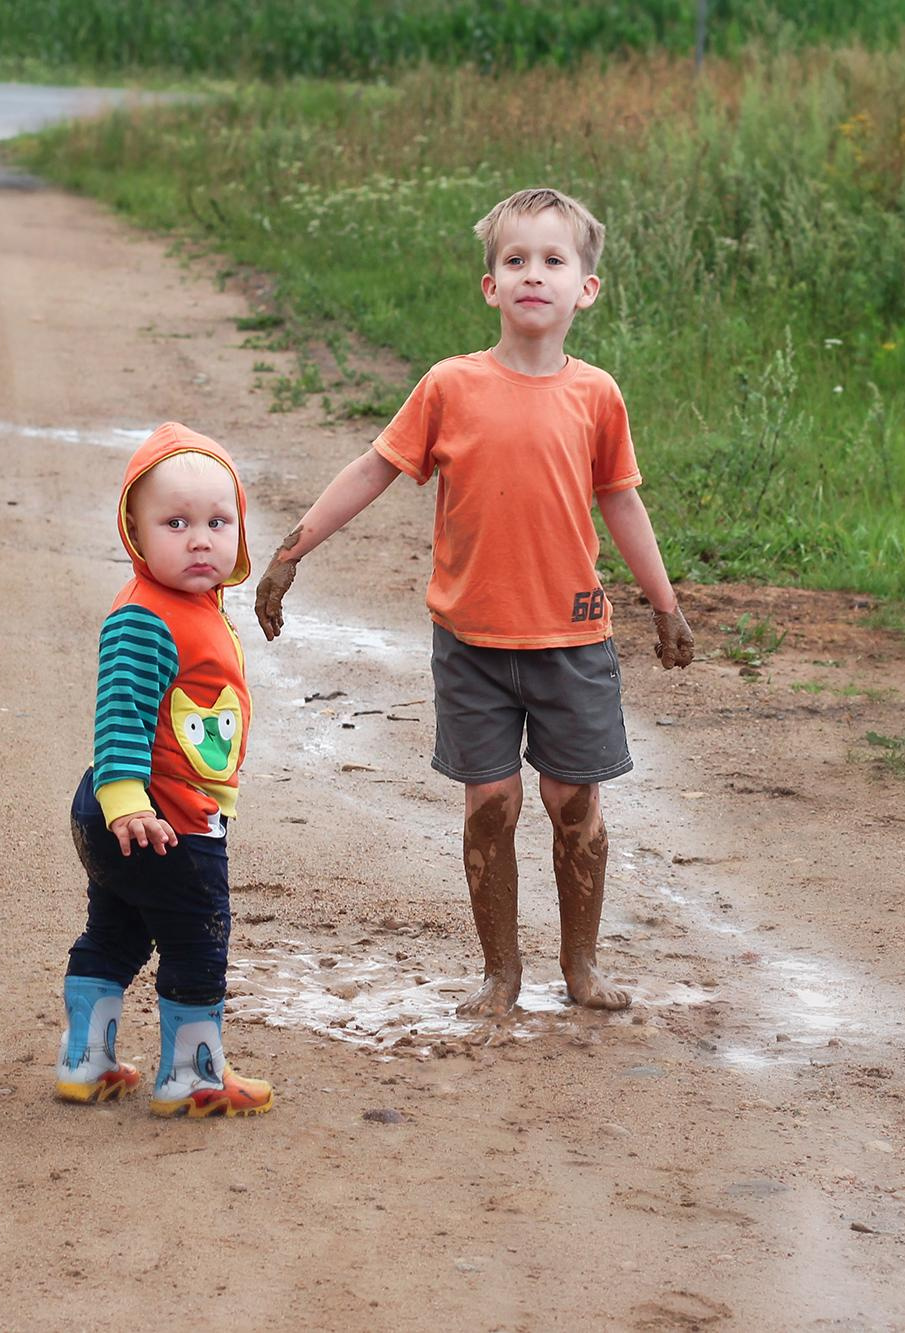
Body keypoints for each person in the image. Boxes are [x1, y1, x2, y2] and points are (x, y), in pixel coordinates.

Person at [253, 187, 695, 1017]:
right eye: (515, 260)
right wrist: (291, 551)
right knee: (491, 805)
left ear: (585, 290)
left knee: (575, 803)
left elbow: (623, 502)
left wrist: (664, 604)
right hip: (472, 643)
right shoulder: (450, 386)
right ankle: (501, 973)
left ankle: (581, 967)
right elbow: (373, 468)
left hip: (572, 638)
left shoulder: (597, 395)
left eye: (554, 260)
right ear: (490, 285)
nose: (534, 274)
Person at [54, 421, 273, 1116]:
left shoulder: (193, 605)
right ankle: (192, 1076)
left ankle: (85, 1061)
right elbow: (119, 713)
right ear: (136, 532)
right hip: (159, 819)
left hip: (139, 815)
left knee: (117, 932)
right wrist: (129, 803)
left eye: (218, 520)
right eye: (175, 523)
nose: (200, 538)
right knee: (198, 940)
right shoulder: (146, 616)